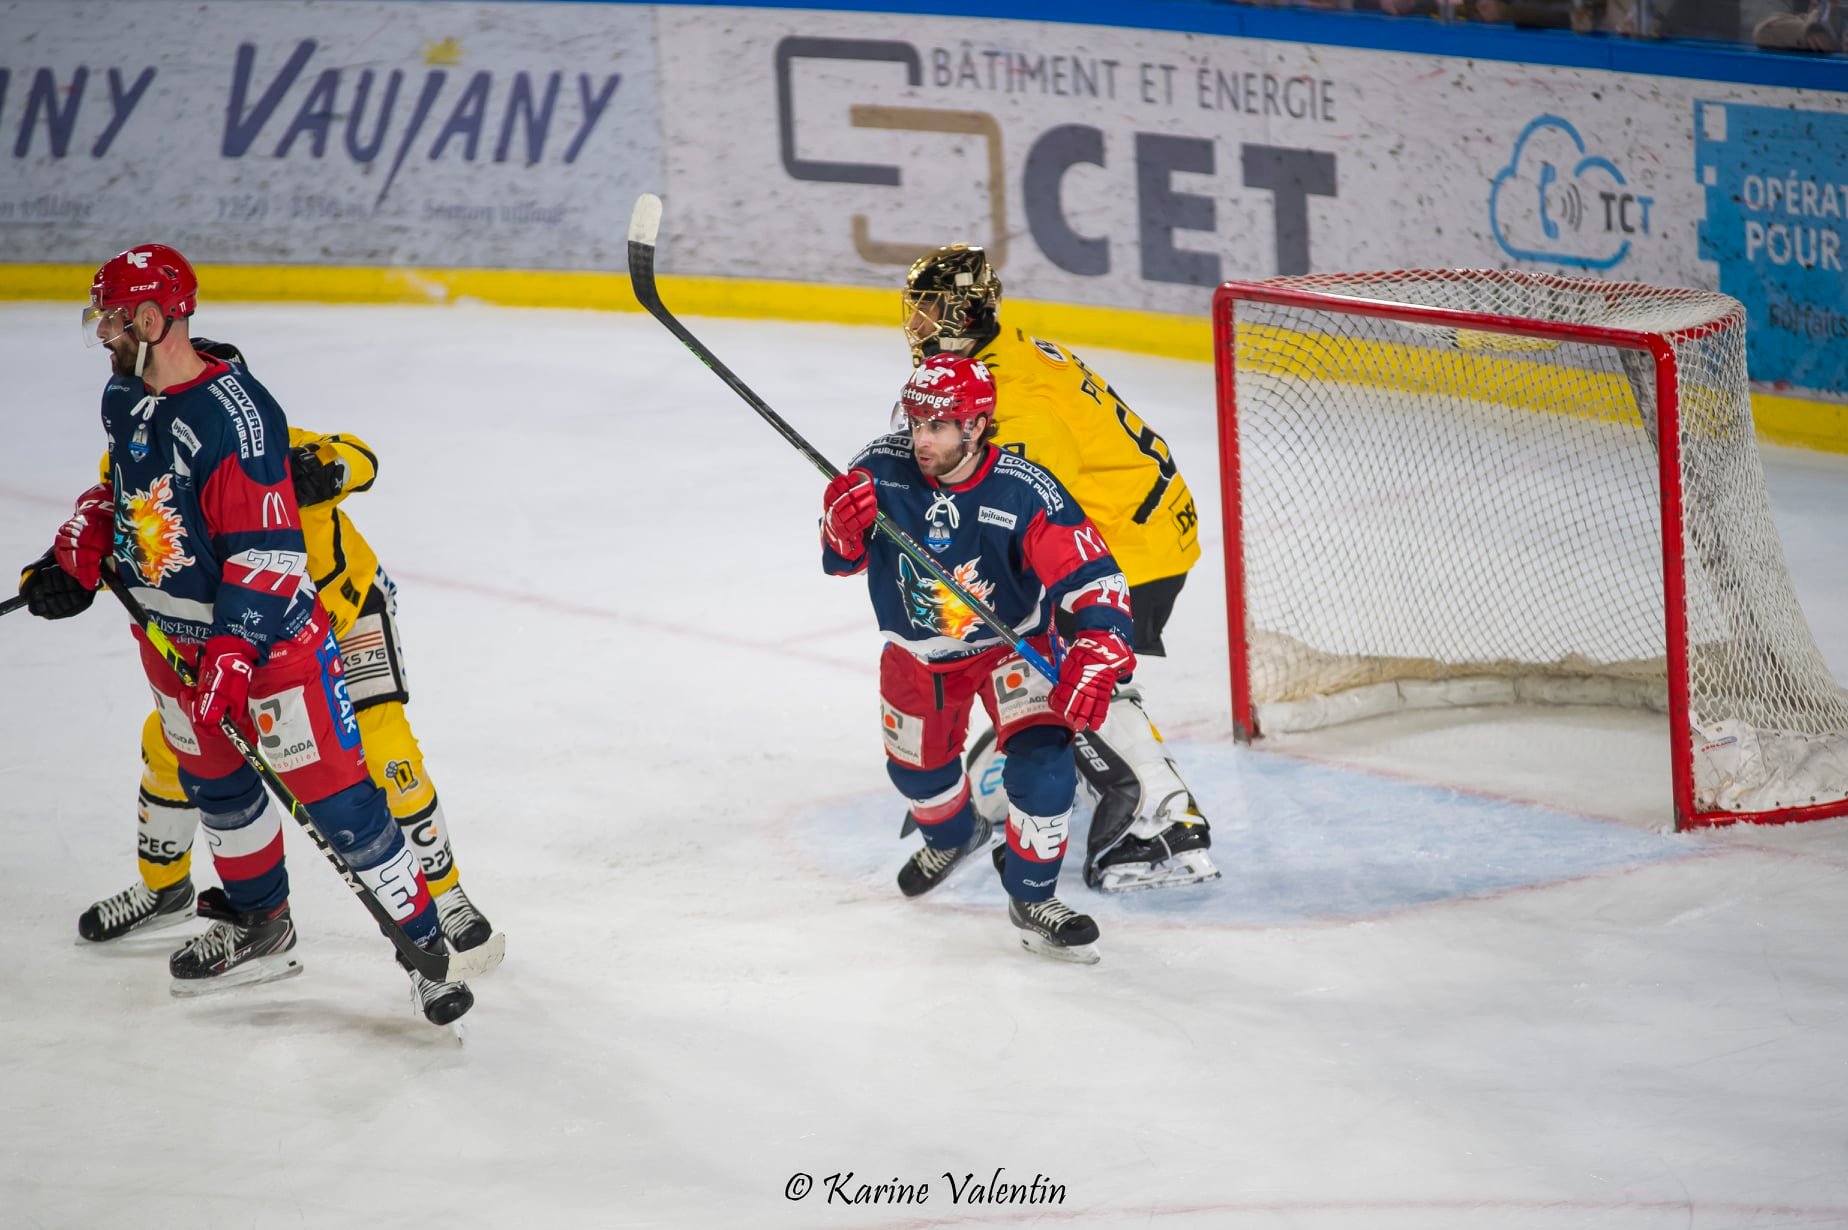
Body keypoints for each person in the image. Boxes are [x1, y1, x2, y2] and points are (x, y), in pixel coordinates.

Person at [25, 243, 470, 1024]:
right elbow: (124, 491)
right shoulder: (123, 398)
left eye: (112, 318)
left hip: (269, 654)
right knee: (219, 794)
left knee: (343, 807)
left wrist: (232, 657)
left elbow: (266, 556)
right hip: (172, 646)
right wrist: (86, 539)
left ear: (156, 317)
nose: (101, 332)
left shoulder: (239, 417)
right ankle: (263, 927)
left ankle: (428, 951)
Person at [902, 244, 1218, 893]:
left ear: (964, 313)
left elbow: (1031, 510)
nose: (917, 327)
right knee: (1035, 649)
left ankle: (1162, 822)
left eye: (930, 312)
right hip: (1141, 522)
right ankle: (1057, 774)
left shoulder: (1019, 402)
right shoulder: (1003, 355)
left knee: (1074, 662)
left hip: (1128, 544)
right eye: (915, 310)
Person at [823, 354, 1137, 963]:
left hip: (1009, 645)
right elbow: (844, 562)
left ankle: (1033, 899)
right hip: (917, 655)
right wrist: (839, 531)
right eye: (915, 422)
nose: (921, 439)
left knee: (1044, 765)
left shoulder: (1025, 488)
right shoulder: (879, 469)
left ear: (976, 426)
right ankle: (956, 833)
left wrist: (1098, 647)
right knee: (918, 776)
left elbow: (1093, 577)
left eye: (937, 426)